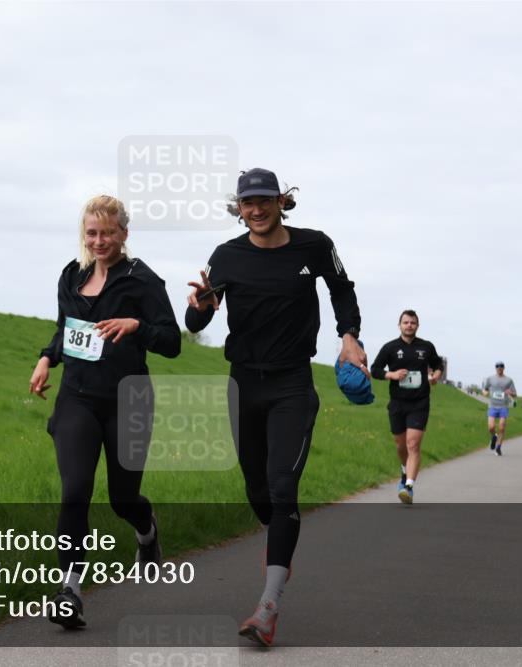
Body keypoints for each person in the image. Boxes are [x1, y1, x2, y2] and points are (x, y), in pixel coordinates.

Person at [185, 168, 364, 647]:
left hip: (291, 384)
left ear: (282, 201)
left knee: (283, 487)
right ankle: (280, 544)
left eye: (266, 200)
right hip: (242, 384)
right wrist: (201, 306)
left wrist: (349, 338)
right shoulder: (227, 256)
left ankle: (268, 605)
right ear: (238, 208)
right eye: (248, 203)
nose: (257, 210)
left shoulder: (313, 245)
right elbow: (194, 317)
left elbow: (342, 287)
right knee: (258, 492)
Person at [29, 195, 180, 630]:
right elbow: (66, 329)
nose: (99, 241)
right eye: (92, 233)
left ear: (124, 234)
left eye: (108, 233)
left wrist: (137, 326)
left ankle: (146, 528)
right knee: (75, 489)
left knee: (122, 497)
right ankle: (70, 590)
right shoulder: (71, 276)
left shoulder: (142, 280)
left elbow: (170, 341)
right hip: (77, 398)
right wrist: (46, 358)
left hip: (128, 401)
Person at [370, 309, 443, 504]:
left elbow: (438, 364)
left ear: (417, 325)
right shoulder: (390, 348)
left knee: (413, 444)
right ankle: (404, 472)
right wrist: (391, 375)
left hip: (419, 402)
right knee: (401, 446)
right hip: (397, 403)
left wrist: (436, 375)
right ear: (400, 325)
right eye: (406, 322)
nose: (409, 325)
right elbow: (375, 369)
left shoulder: (426, 347)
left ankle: (408, 486)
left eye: (412, 323)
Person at [482, 362, 516, 456]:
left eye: (501, 366)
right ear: (495, 368)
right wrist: (485, 393)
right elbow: (485, 389)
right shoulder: (490, 379)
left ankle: (498, 447)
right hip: (492, 405)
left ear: (504, 368)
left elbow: (515, 394)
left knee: (501, 427)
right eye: (497, 366)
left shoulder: (509, 380)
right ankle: (494, 437)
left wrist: (511, 393)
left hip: (503, 406)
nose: (499, 368)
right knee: (491, 427)